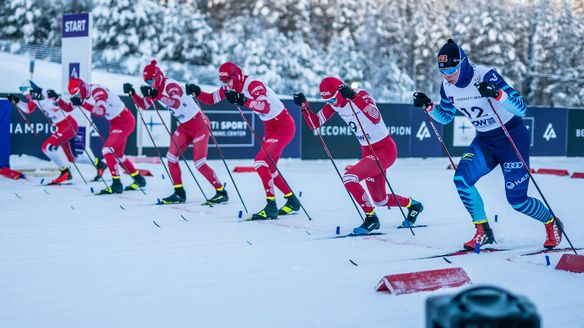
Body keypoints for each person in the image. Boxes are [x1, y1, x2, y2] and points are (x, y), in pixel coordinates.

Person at [413, 39, 562, 250]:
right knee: (461, 179)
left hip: (512, 138)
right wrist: (429, 106)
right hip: (485, 141)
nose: (447, 76)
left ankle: (550, 221)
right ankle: (483, 231)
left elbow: (521, 109)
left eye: (452, 70)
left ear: (463, 63)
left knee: (518, 201)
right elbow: (446, 116)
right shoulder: (447, 87)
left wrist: (497, 93)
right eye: (442, 72)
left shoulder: (485, 75)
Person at [293, 77, 424, 234]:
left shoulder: (361, 95)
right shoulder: (335, 105)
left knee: (349, 178)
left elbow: (375, 117)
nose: (332, 103)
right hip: (367, 150)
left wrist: (354, 97)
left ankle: (371, 219)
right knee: (379, 200)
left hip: (384, 149)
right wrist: (304, 106)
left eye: (333, 98)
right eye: (327, 100)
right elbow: (315, 123)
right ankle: (413, 205)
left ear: (340, 91)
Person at [185, 62, 300, 220]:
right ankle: (292, 200)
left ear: (236, 76)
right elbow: (211, 99)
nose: (225, 84)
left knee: (260, 163)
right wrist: (197, 92)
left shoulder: (253, 85)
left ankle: (271, 206)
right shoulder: (229, 87)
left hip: (283, 125)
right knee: (270, 170)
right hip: (270, 126)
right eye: (223, 81)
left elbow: (264, 107)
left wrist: (242, 99)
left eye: (227, 80)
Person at [124, 60, 227, 205]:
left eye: (151, 80)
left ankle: (221, 192)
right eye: (147, 82)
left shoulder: (169, 85)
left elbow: (175, 103)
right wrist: (133, 93)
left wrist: (156, 94)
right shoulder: (155, 88)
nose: (150, 84)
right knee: (171, 158)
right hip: (185, 126)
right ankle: (179, 192)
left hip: (199, 124)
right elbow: (144, 105)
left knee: (199, 163)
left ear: (158, 76)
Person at [59, 77, 147, 195]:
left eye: (79, 93)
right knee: (119, 156)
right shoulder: (83, 96)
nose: (79, 95)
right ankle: (139, 180)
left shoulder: (97, 91)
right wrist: (57, 98)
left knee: (107, 150)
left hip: (124, 120)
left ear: (83, 87)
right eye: (76, 94)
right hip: (115, 122)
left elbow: (101, 111)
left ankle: (117, 184)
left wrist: (83, 103)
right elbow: (68, 108)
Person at [8, 81, 78, 185]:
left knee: (47, 147)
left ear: (32, 90)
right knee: (72, 158)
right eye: (26, 96)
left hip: (68, 125)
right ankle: (99, 164)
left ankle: (65, 172)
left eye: (27, 95)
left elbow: (60, 105)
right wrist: (17, 101)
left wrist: (52, 98)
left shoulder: (46, 93)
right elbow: (28, 109)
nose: (27, 98)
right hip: (60, 127)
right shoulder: (34, 98)